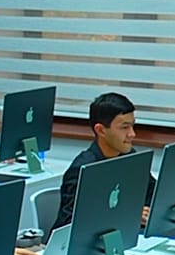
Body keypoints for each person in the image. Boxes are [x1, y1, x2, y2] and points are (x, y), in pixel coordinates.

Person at [53, 92, 156, 232]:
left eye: (132, 126)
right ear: (101, 130)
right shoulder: (82, 170)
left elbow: (153, 193)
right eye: (124, 127)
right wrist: (128, 216)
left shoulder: (130, 157)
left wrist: (146, 211)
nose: (132, 134)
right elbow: (68, 225)